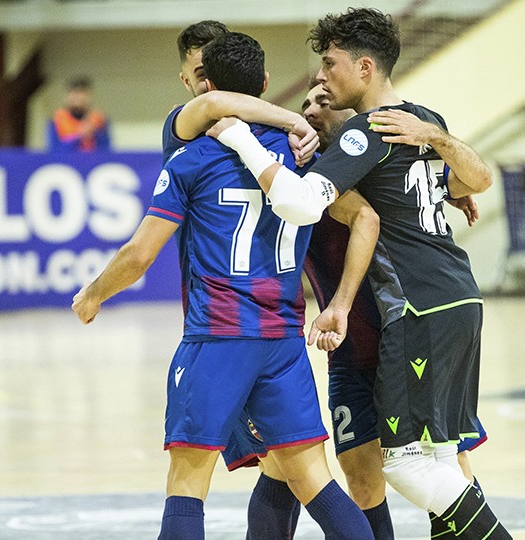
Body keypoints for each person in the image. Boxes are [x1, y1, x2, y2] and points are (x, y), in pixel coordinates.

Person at [209, 8, 512, 539]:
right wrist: (446, 173)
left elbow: (309, 204)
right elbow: (468, 183)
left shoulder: (366, 137)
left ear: (365, 67)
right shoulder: (404, 125)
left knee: (412, 466)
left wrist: (242, 138)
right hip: (437, 308)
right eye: (308, 100)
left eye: (329, 69)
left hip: (416, 311)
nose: (319, 85)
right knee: (426, 462)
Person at [72, 31, 373, 540]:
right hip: (282, 342)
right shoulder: (299, 159)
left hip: (216, 338)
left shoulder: (189, 159)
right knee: (317, 485)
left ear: (204, 83)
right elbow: (363, 215)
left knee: (187, 485)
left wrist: (93, 295)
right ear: (266, 83)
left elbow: (139, 254)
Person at [46, 76, 111, 152]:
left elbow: (106, 150)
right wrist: (79, 136)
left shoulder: (100, 120)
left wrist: (94, 133)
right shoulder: (57, 121)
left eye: (82, 93)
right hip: (67, 162)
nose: (78, 97)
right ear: (67, 97)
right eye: (74, 93)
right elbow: (54, 150)